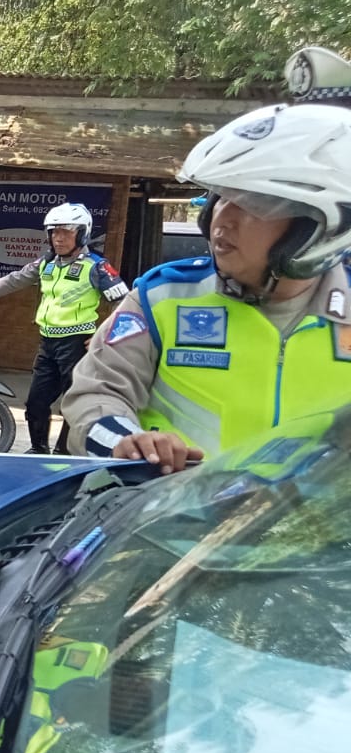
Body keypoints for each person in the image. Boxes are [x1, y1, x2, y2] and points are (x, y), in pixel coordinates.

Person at [60, 80, 351, 474]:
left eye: (254, 204)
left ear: (319, 226)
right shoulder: (162, 297)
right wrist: (125, 443)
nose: (223, 219)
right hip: (166, 531)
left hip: (312, 535)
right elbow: (95, 395)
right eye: (221, 198)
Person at [0, 202, 127, 454]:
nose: (59, 238)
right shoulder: (47, 264)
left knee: (74, 402)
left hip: (78, 344)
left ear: (82, 233)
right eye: (54, 232)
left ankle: (64, 453)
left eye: (66, 232)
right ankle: (38, 449)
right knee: (35, 403)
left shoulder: (96, 266)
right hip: (48, 343)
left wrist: (105, 333)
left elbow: (124, 300)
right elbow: (13, 280)